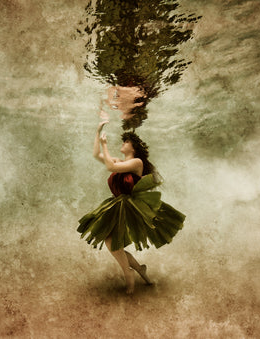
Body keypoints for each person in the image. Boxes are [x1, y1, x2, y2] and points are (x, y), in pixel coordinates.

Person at [77, 120, 185, 294]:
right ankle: (139, 270)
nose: (123, 143)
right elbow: (97, 155)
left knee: (112, 242)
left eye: (126, 141)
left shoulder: (137, 163)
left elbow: (110, 167)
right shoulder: (121, 161)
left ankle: (129, 275)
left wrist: (106, 145)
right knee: (112, 242)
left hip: (130, 207)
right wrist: (98, 130)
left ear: (133, 147)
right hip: (117, 205)